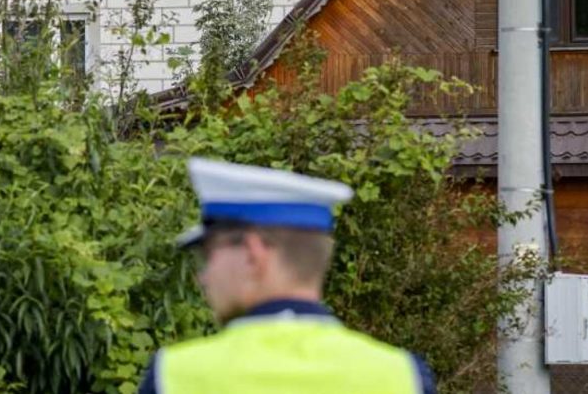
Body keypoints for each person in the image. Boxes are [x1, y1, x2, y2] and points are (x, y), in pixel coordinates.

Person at [137, 157, 437, 394]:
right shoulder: (402, 375)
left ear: (253, 253)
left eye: (209, 255)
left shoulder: (175, 375)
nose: (204, 276)